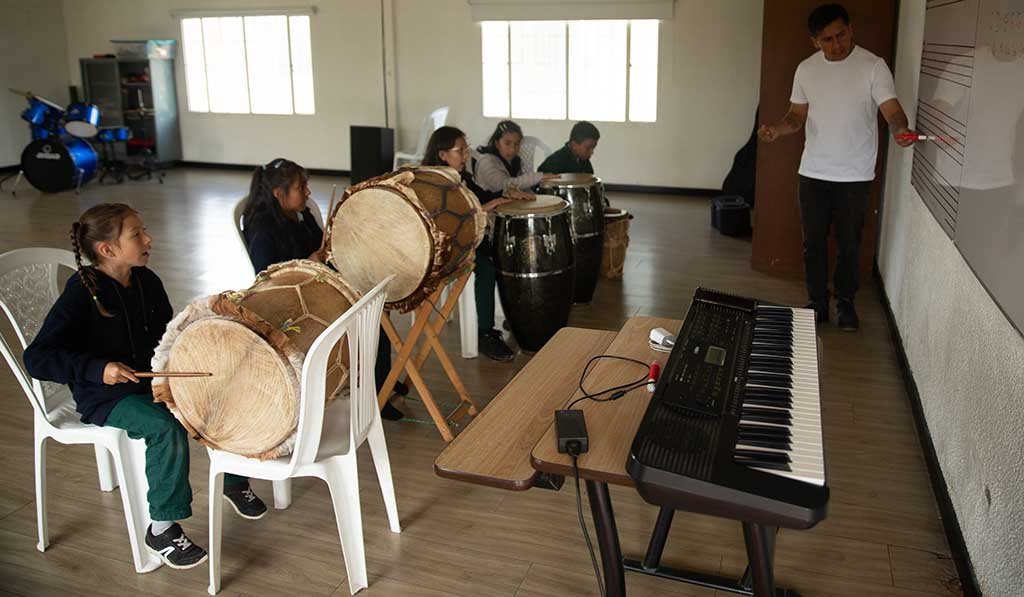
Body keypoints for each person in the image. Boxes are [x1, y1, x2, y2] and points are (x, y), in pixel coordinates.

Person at [23, 203, 267, 570]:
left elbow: (165, 338)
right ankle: (162, 527)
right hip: (103, 396)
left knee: (222, 392)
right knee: (163, 427)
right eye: (137, 234)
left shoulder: (146, 280)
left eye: (144, 230)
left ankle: (233, 479)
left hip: (149, 380)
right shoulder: (81, 293)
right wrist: (97, 368)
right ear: (107, 250)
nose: (148, 238)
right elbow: (38, 358)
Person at [758, 3, 915, 331]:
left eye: (841, 35)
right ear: (815, 41)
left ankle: (845, 303)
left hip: (855, 175)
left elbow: (892, 110)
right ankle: (817, 303)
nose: (837, 44)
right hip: (813, 172)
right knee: (812, 242)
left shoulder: (873, 67)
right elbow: (796, 117)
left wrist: (900, 129)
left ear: (850, 29)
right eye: (827, 39)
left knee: (849, 242)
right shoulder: (806, 70)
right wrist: (777, 129)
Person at [242, 158, 407, 419]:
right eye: (301, 187)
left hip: (316, 283)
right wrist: (309, 262)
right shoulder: (263, 227)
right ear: (278, 193)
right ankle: (377, 392)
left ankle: (380, 376)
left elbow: (321, 245)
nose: (307, 192)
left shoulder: (298, 214)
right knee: (375, 316)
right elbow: (267, 276)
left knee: (378, 301)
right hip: (295, 298)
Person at [423, 126, 536, 361]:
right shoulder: (433, 183)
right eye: (461, 151)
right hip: (443, 250)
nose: (466, 155)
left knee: (502, 253)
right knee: (486, 267)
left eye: (466, 150)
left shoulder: (460, 177)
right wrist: (482, 209)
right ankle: (484, 333)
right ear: (443, 154)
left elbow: (478, 195)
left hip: (463, 241)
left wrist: (505, 197)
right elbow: (445, 222)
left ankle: (514, 316)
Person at [474, 120, 558, 194]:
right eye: (507, 143)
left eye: (517, 144)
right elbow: (502, 185)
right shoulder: (487, 161)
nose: (512, 149)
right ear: (497, 143)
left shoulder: (515, 161)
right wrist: (537, 177)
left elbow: (523, 187)